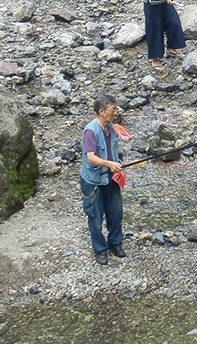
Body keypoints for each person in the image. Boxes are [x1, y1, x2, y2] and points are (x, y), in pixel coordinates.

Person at [79, 94, 125, 266]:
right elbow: (90, 158)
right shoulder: (91, 131)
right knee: (95, 217)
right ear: (101, 111)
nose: (115, 112)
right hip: (94, 182)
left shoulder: (110, 127)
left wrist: (118, 167)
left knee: (115, 213)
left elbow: (113, 150)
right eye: (113, 110)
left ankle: (115, 243)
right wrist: (109, 164)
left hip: (111, 178)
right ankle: (100, 250)